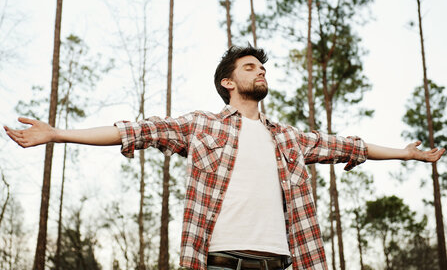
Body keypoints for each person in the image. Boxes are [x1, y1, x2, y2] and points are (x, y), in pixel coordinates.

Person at [4, 45, 445, 270]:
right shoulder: (202, 126)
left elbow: (352, 146)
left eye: (262, 68)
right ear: (227, 82)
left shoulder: (288, 138)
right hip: (219, 262)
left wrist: (405, 155)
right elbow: (134, 131)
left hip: (280, 262)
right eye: (250, 67)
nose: (261, 72)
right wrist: (58, 133)